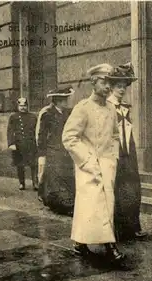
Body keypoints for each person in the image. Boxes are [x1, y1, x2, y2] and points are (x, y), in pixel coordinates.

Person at [62, 63, 124, 263]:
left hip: (106, 164)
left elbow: (115, 135)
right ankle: (105, 245)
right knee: (89, 206)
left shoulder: (111, 109)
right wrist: (87, 159)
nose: (108, 87)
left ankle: (86, 243)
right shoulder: (83, 108)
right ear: (93, 83)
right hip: (87, 165)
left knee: (106, 204)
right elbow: (69, 137)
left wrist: (113, 158)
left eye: (110, 83)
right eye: (104, 82)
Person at [106, 63, 147, 241]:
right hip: (114, 151)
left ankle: (133, 226)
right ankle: (116, 229)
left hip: (128, 152)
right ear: (111, 88)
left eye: (124, 87)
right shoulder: (106, 107)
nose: (122, 90)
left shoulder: (125, 108)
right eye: (118, 87)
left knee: (132, 187)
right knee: (116, 188)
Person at [37, 86, 76, 215]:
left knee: (66, 177)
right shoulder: (47, 114)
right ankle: (63, 205)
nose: (67, 101)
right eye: (65, 99)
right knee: (56, 178)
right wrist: (42, 153)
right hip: (53, 150)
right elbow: (42, 135)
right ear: (58, 101)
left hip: (65, 149)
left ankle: (64, 203)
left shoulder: (68, 113)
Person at [7, 98, 38, 190]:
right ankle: (22, 183)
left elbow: (36, 130)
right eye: (20, 106)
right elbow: (10, 131)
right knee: (20, 165)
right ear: (18, 106)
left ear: (27, 106)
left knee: (34, 164)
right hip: (19, 144)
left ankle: (35, 183)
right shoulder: (13, 117)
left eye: (24, 106)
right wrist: (11, 143)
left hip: (31, 144)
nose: (22, 108)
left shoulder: (33, 116)